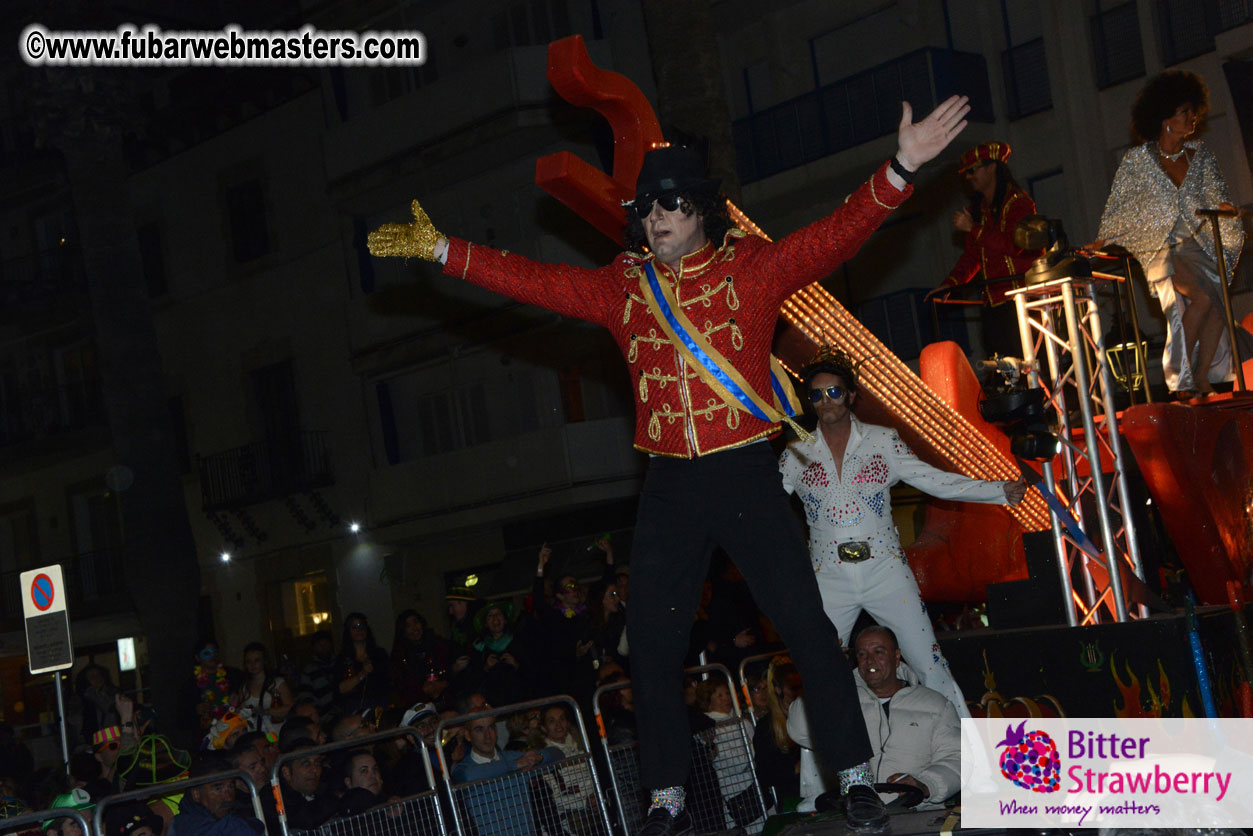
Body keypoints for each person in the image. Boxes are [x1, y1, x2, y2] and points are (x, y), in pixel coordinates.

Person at [369, 93, 971, 836]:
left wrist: (902, 166)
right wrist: (442, 251)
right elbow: (537, 281)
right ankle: (665, 798)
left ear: (702, 214)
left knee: (809, 633)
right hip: (670, 484)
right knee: (651, 647)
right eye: (648, 210)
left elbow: (828, 240)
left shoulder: (748, 270)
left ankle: (852, 776)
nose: (658, 220)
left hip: (746, 472)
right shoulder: (622, 288)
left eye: (674, 207)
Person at [779, 345, 1026, 717]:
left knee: (930, 665)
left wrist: (998, 491)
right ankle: (827, 775)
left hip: (885, 570)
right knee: (819, 673)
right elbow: (762, 509)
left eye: (834, 391)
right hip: (828, 576)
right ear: (810, 401)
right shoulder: (796, 453)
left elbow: (935, 481)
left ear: (850, 394)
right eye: (817, 394)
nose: (826, 401)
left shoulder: (882, 441)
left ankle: (972, 760)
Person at [1096, 69, 1244, 396]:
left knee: (1217, 302)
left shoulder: (1199, 154)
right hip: (1162, 249)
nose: (1192, 117)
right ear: (1166, 118)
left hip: (1197, 244)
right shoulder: (1139, 160)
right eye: (1184, 112)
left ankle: (1201, 376)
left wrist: (1225, 208)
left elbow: (1217, 193)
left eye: (1193, 111)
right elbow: (1121, 205)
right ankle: (1181, 375)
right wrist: (1102, 240)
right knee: (1204, 296)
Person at [789, 626, 961, 811]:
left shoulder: (935, 704)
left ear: (896, 656)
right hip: (856, 816)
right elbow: (799, 729)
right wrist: (824, 672)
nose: (869, 660)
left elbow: (957, 757)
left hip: (915, 816)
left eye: (878, 652)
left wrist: (925, 784)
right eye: (862, 654)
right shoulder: (841, 700)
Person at [926, 141, 1041, 358]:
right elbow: (972, 257)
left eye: (972, 170)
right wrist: (949, 285)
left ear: (992, 167)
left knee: (1032, 366)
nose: (968, 177)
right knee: (1003, 371)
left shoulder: (1019, 203)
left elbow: (1015, 246)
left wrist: (973, 228)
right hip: (994, 306)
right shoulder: (977, 210)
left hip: (1024, 303)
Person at [450, 711, 564, 836]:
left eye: (491, 727)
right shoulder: (463, 768)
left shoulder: (513, 757)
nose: (488, 736)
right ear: (468, 735)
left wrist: (539, 757)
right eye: (479, 730)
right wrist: (513, 765)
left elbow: (558, 754)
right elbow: (468, 776)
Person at [174, 750, 266, 836]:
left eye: (230, 787)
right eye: (218, 789)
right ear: (196, 794)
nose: (228, 797)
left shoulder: (226, 816)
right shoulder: (188, 827)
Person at [753, 657, 802, 810]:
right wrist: (794, 769)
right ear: (778, 689)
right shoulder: (767, 727)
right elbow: (765, 774)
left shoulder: (810, 715)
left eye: (800, 686)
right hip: (791, 798)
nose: (798, 692)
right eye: (792, 688)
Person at [391, 610, 452, 708]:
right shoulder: (400, 655)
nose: (414, 628)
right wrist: (422, 690)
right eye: (408, 626)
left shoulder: (438, 644)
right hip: (417, 706)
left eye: (416, 622)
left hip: (445, 699)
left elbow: (449, 670)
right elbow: (401, 687)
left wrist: (443, 684)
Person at [334, 613, 390, 715]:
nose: (359, 630)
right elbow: (340, 689)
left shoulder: (379, 654)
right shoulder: (342, 659)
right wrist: (362, 674)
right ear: (348, 631)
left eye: (362, 626)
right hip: (355, 708)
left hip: (379, 706)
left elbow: (388, 681)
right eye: (354, 627)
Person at [235, 642, 294, 737]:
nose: (253, 665)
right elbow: (240, 714)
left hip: (277, 734)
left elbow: (291, 708)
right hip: (256, 737)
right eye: (248, 661)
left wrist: (267, 711)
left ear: (264, 661)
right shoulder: (244, 688)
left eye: (257, 660)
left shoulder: (278, 683)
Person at [297, 631, 338, 717]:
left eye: (326, 644)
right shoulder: (309, 671)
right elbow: (305, 697)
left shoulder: (340, 664)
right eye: (320, 645)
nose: (324, 648)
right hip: (325, 717)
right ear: (314, 648)